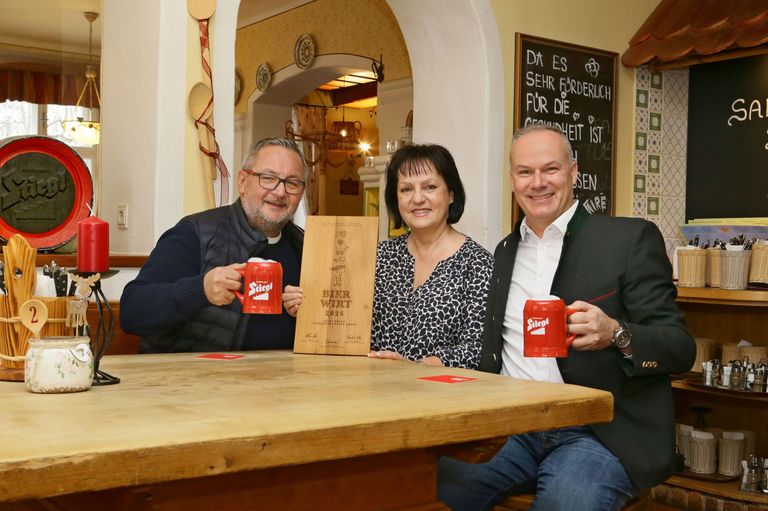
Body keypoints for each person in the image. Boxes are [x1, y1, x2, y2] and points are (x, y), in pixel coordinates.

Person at [438, 124, 696, 510]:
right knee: (426, 486)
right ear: (512, 179)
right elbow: (490, 350)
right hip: (514, 428)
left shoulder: (628, 240)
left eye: (551, 169)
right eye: (525, 172)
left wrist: (617, 332)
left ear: (574, 172)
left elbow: (680, 348)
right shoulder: (505, 251)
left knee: (565, 503)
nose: (538, 182)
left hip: (599, 434)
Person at [284, 144, 493, 368]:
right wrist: (309, 308)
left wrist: (414, 365)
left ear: (451, 194)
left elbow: (476, 349)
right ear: (396, 198)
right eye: (406, 189)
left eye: (430, 187)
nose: (418, 198)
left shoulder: (478, 264)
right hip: (373, 392)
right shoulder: (379, 256)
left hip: (441, 395)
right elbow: (348, 322)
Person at [120, 137, 307, 353]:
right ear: (243, 182)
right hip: (197, 380)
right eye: (268, 178)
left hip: (285, 379)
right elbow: (132, 312)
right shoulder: (196, 232)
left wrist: (306, 311)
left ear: (301, 193)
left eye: (292, 183)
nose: (280, 192)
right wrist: (201, 290)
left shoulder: (303, 246)